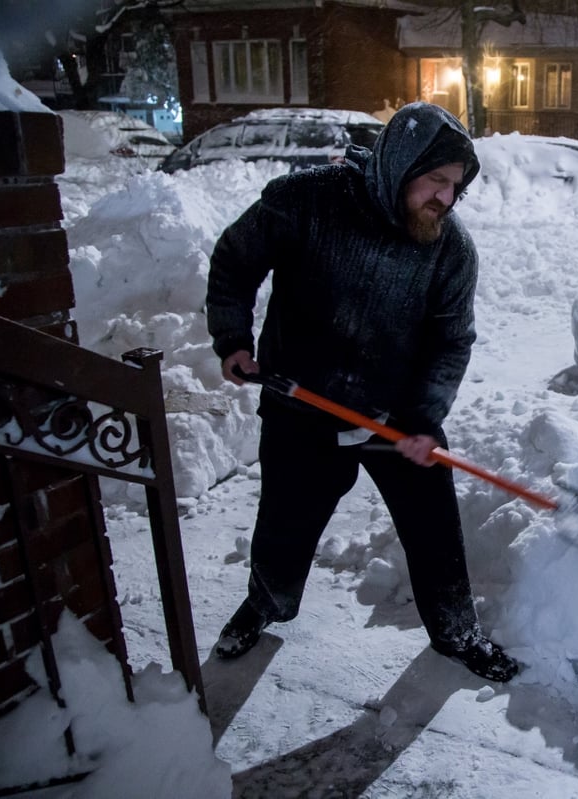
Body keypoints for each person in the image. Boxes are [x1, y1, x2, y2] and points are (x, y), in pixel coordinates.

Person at [204, 102, 518, 682]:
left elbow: (453, 340)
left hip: (394, 412)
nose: (445, 199)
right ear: (400, 165)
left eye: (456, 188)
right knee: (285, 521)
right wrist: (232, 337)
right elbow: (234, 260)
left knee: (432, 526)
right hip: (302, 402)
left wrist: (424, 419)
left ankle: (455, 631)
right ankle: (267, 603)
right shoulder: (306, 201)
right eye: (436, 181)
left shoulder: (450, 249)